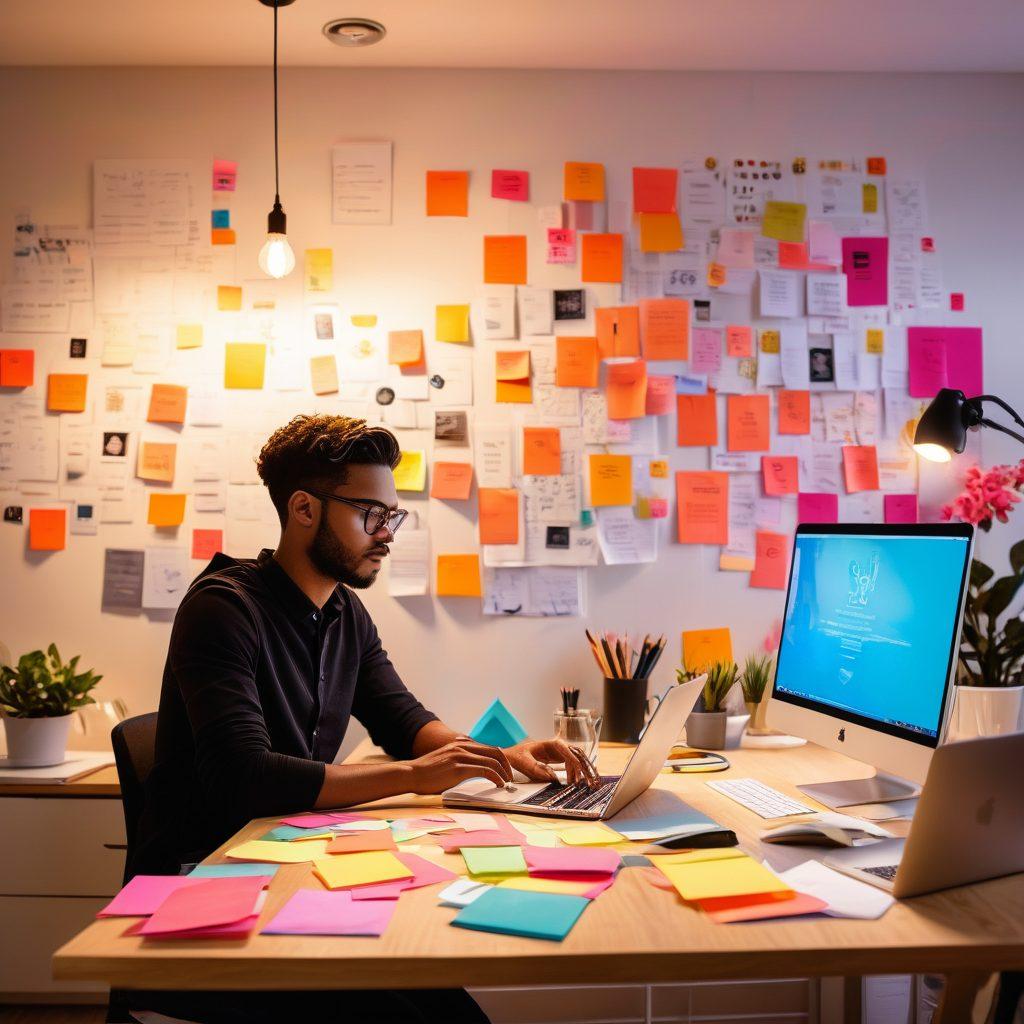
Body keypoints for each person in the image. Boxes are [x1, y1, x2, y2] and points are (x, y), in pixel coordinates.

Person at [127, 414, 596, 1024]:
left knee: (450, 1009)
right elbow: (243, 776)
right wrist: (411, 776)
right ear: (304, 510)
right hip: (205, 893)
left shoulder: (345, 612)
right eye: (372, 515)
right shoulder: (222, 609)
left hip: (282, 869)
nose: (388, 533)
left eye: (392, 517)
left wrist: (499, 755)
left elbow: (403, 720)